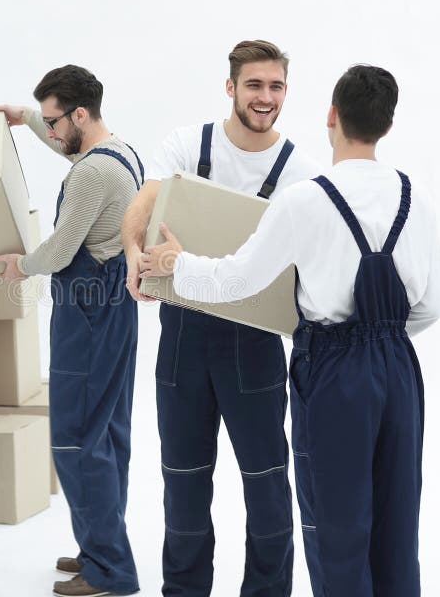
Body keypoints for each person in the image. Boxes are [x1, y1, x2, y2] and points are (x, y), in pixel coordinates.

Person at [141, 64, 440, 596]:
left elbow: (237, 280)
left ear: (331, 115)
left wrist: (178, 264)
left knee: (335, 526)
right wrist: (382, 344)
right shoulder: (413, 196)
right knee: (397, 525)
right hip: (399, 368)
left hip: (333, 370)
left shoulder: (306, 197)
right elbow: (432, 306)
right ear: (387, 125)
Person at [122, 39, 322, 596]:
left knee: (266, 483)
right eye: (254, 85)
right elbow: (147, 197)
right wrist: (134, 251)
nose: (265, 97)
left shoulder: (300, 171)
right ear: (230, 87)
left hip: (254, 343)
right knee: (182, 481)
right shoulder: (190, 144)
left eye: (275, 86)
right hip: (182, 337)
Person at [0, 64, 144, 597]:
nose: (52, 134)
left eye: (55, 122)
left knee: (77, 440)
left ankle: (110, 571)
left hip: (90, 313)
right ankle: (101, 547)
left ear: (80, 115)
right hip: (113, 311)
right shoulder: (118, 150)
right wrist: (26, 118)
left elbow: (59, 250)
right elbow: (63, 145)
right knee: (108, 434)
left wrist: (20, 266)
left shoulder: (91, 174)